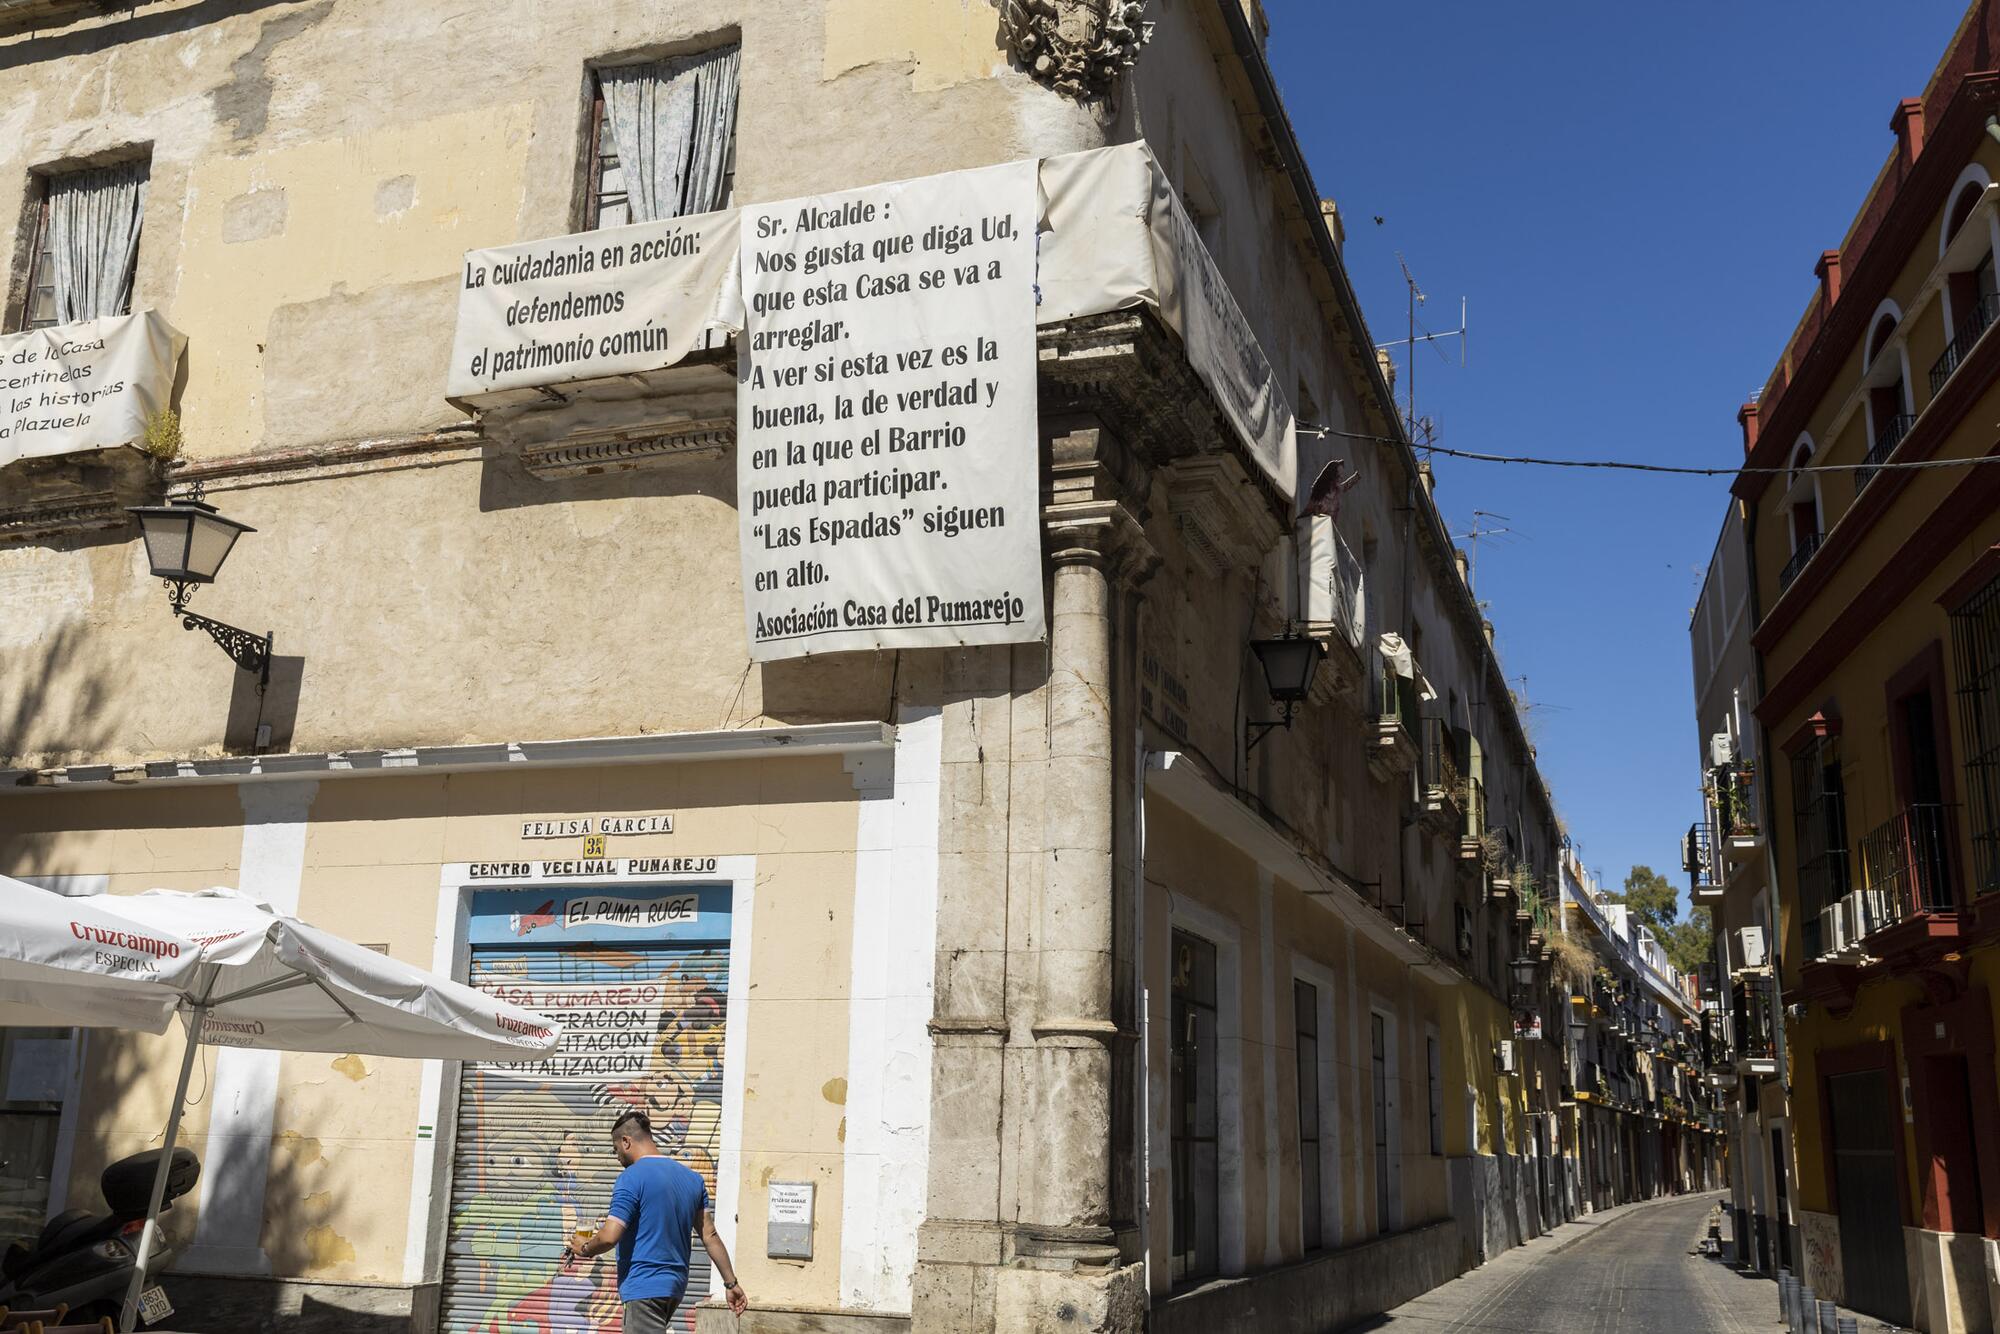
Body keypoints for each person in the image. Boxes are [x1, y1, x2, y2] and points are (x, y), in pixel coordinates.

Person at [562, 1110, 749, 1330]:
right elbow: (710, 1236)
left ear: (626, 1141)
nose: (617, 1157)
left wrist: (585, 1248)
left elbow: (610, 1236)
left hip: (644, 1285)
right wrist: (731, 1283)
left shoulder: (631, 1178)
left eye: (616, 1150)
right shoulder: (693, 1179)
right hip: (675, 1286)